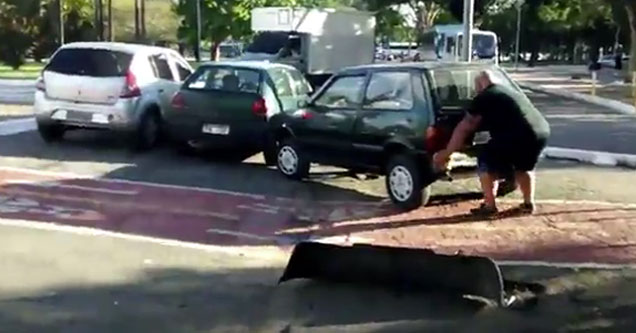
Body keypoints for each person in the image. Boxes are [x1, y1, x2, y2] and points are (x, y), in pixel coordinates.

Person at [433, 71, 550, 216]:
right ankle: (528, 204)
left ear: (480, 84)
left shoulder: (486, 96)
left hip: (517, 135)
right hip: (540, 131)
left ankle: (489, 206)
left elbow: (465, 127)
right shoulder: (508, 91)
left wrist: (447, 152)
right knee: (523, 167)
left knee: (486, 161)